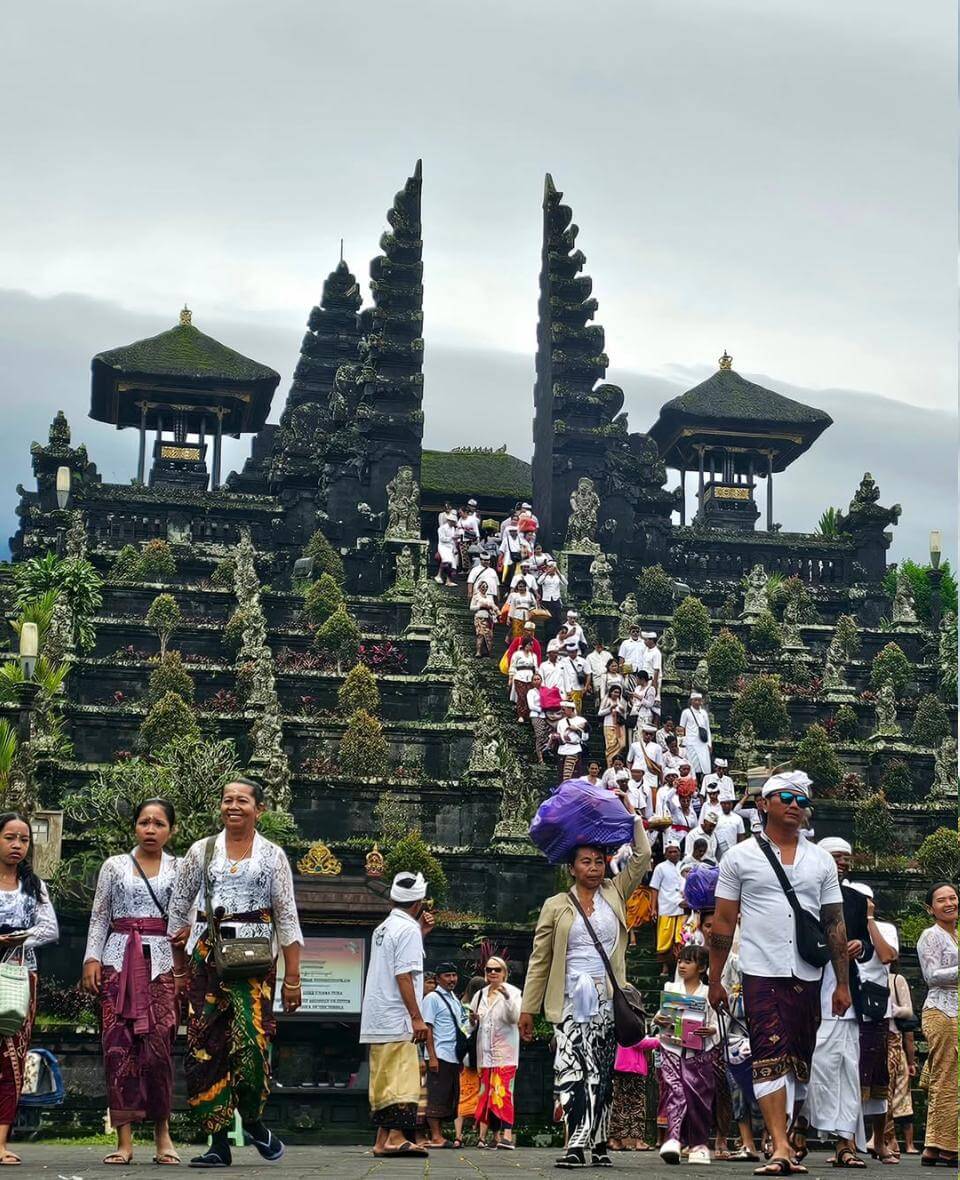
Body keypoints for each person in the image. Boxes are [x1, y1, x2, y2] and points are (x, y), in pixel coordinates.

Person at [709, 771, 849, 1177]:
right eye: (784, 797)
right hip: (759, 968)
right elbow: (723, 922)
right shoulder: (739, 857)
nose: (793, 804)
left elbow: (834, 923)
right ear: (763, 804)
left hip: (807, 971)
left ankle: (786, 1132)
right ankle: (779, 1144)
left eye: (801, 800)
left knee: (801, 1057)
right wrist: (716, 979)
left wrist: (841, 983)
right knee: (768, 1054)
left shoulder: (821, 860)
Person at [167, 777, 303, 1168]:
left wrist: (292, 979)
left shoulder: (272, 855)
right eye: (227, 799)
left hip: (256, 963)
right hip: (208, 960)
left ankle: (255, 1122)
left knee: (252, 1047)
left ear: (259, 809)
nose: (233, 806)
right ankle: (218, 1142)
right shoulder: (201, 850)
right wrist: (179, 970)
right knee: (205, 1047)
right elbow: (178, 912)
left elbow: (287, 917)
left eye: (242, 800)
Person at [519, 815, 652, 1169]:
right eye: (585, 862)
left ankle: (599, 1141)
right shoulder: (556, 905)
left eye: (598, 861)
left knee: (602, 1072)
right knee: (572, 1069)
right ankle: (577, 1143)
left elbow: (642, 856)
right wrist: (528, 1009)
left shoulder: (615, 891)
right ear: (572, 868)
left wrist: (633, 819)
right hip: (570, 999)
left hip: (607, 998)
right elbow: (540, 960)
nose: (593, 868)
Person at [83, 799, 180, 1166]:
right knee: (118, 1048)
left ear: (171, 830)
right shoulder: (114, 866)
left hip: (162, 963)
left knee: (159, 1048)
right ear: (134, 827)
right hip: (116, 960)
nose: (150, 830)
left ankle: (162, 1135)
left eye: (158, 824)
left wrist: (185, 969)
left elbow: (187, 919)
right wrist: (91, 957)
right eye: (144, 823)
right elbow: (99, 916)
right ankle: (124, 1141)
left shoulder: (180, 868)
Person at [800, 838, 869, 1168]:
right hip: (811, 990)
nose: (842, 862)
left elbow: (867, 946)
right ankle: (797, 1130)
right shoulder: (803, 895)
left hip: (846, 995)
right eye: (835, 856)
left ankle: (846, 1142)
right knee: (814, 1065)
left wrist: (858, 945)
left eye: (846, 858)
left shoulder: (856, 900)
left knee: (846, 1069)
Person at [357, 871, 435, 1158]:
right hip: (397, 1017)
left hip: (378, 1017)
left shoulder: (384, 927)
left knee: (385, 1078)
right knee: (402, 1079)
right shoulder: (407, 930)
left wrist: (421, 933)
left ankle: (382, 1140)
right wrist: (417, 1017)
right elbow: (404, 975)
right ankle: (397, 1136)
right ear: (418, 903)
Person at [0, 814, 58, 1166]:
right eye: (9, 837)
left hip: (20, 977)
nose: (17, 845)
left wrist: (16, 941)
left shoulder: (34, 886)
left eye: (23, 839)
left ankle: (1, 1141)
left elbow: (50, 928)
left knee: (12, 1059)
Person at [846, 883, 898, 1162]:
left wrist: (868, 921)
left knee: (878, 1079)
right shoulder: (840, 927)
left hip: (877, 1011)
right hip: (851, 1010)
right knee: (852, 1079)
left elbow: (888, 956)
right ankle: (849, 1143)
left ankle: (879, 1140)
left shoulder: (885, 928)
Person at [657, 944, 719, 1165]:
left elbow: (717, 1023)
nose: (682, 965)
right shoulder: (671, 987)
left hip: (699, 1053)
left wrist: (712, 1030)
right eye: (681, 961)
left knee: (699, 1096)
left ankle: (699, 1144)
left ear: (701, 967)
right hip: (672, 1048)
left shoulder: (708, 992)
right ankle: (673, 1139)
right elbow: (661, 1016)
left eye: (688, 961)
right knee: (675, 1091)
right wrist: (659, 1020)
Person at [916, 882, 958, 1168]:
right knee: (947, 1077)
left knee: (946, 1075)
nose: (949, 903)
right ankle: (945, 1146)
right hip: (940, 1009)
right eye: (941, 900)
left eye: (953, 897)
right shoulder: (929, 936)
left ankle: (933, 1146)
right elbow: (931, 976)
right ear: (931, 908)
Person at [470, 956, 521, 1150]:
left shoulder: (513, 992)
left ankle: (508, 1134)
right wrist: (473, 1019)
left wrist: (507, 999)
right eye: (489, 969)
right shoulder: (480, 995)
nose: (493, 973)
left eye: (497, 970)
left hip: (505, 1054)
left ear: (504, 973)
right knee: (487, 1096)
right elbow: (469, 1026)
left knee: (503, 1093)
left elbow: (514, 1017)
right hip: (485, 1055)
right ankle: (495, 1135)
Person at [422, 961, 468, 1148]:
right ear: (438, 979)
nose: (452, 979)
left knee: (448, 1096)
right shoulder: (432, 998)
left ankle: (438, 1135)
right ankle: (435, 1136)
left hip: (452, 1055)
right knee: (436, 1096)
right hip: (439, 1053)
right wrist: (432, 1057)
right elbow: (428, 1028)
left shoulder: (454, 999)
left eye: (454, 975)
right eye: (447, 976)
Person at [879, 961, 917, 1160]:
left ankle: (890, 1138)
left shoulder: (897, 980)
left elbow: (908, 1011)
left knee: (890, 1091)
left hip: (893, 1039)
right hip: (873, 1038)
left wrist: (889, 1009)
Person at [454, 975, 485, 1149]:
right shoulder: (481, 1008)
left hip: (464, 1059)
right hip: (480, 1058)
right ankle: (481, 1138)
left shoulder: (460, 1006)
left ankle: (458, 1136)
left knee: (463, 1096)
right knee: (482, 1096)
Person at [650, 838, 685, 976]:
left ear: (680, 853)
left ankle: (679, 968)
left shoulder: (684, 865)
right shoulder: (660, 867)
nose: (673, 854)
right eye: (670, 852)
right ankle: (664, 968)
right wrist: (653, 908)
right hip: (666, 907)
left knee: (680, 938)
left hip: (682, 907)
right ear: (665, 854)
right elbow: (654, 888)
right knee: (665, 939)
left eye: (675, 851)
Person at [679, 691, 712, 781]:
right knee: (693, 766)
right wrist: (682, 743)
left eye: (699, 700)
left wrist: (709, 744)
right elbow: (681, 728)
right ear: (691, 701)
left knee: (705, 766)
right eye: (695, 700)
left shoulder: (704, 713)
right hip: (690, 743)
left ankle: (703, 785)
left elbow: (707, 729)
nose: (697, 702)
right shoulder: (686, 712)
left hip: (702, 743)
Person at [508, 635, 538, 722]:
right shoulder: (517, 654)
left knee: (528, 695)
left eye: (532, 645)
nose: (531, 647)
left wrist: (537, 677)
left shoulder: (533, 656)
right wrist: (510, 678)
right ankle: (520, 715)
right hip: (519, 676)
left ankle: (527, 714)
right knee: (521, 695)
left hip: (530, 677)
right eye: (529, 644)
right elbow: (512, 666)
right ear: (525, 644)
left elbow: (536, 668)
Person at [556, 702, 588, 783]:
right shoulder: (560, 722)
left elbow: (585, 737)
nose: (562, 711)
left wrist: (577, 729)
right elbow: (560, 735)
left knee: (571, 775)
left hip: (574, 749)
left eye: (564, 709)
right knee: (561, 775)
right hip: (562, 749)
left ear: (571, 709)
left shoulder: (582, 720)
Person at [598, 684, 627, 767]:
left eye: (618, 692)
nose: (616, 694)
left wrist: (621, 710)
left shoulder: (621, 701)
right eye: (615, 692)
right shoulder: (606, 700)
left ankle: (616, 761)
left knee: (622, 744)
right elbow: (600, 713)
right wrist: (610, 709)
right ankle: (610, 765)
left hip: (620, 725)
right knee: (611, 746)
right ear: (611, 692)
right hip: (609, 724)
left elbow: (625, 715)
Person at [537, 561, 567, 636]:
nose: (550, 569)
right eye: (549, 567)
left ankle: (556, 636)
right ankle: (547, 637)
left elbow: (566, 583)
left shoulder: (558, 577)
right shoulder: (544, 576)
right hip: (547, 600)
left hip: (555, 600)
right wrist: (546, 573)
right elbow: (539, 582)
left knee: (557, 619)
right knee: (547, 619)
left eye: (552, 567)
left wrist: (558, 572)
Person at [470, 584, 498, 657]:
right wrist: (480, 606)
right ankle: (478, 652)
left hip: (488, 617)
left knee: (489, 635)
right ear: (479, 588)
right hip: (479, 616)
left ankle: (488, 651)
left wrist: (495, 612)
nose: (484, 588)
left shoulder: (489, 598)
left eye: (486, 587)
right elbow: (471, 608)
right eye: (483, 587)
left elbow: (493, 606)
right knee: (480, 634)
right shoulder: (476, 596)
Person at [527, 673, 549, 764]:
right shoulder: (531, 692)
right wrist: (541, 709)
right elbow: (531, 705)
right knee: (539, 735)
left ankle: (546, 751)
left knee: (547, 735)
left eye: (538, 679)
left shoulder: (545, 690)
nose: (537, 681)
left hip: (547, 716)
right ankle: (540, 758)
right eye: (534, 679)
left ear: (541, 680)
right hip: (536, 715)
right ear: (532, 682)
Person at [586, 638, 614, 710]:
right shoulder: (590, 657)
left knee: (609, 697)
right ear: (594, 645)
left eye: (600, 645)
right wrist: (588, 684)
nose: (599, 647)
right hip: (597, 679)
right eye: (597, 645)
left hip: (608, 677)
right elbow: (588, 672)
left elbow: (613, 665)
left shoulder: (608, 654)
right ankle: (599, 715)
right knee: (599, 699)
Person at [436, 512, 459, 585]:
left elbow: (453, 541)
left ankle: (448, 580)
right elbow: (442, 539)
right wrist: (451, 538)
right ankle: (438, 575)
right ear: (449, 521)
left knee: (452, 564)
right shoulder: (441, 528)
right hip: (443, 546)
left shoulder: (453, 529)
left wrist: (455, 549)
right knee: (446, 561)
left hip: (450, 547)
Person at [640, 631, 663, 697]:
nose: (644, 641)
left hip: (652, 679)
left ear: (651, 641)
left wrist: (654, 684)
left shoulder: (656, 653)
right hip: (645, 679)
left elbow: (656, 670)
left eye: (646, 640)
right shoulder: (646, 650)